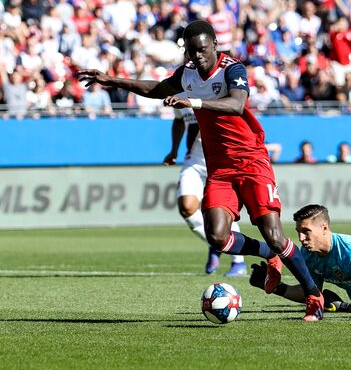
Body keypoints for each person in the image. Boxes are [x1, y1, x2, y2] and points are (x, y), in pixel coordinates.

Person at [78, 20, 325, 321]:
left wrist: (193, 100)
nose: (197, 57)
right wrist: (113, 81)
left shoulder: (232, 70)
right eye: (191, 52)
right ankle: (268, 255)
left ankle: (314, 295)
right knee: (217, 237)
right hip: (220, 168)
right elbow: (156, 88)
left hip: (251, 162)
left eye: (202, 50)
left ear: (215, 45)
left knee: (274, 233)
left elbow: (236, 105)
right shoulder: (188, 74)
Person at [162, 108, 247, 276]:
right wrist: (174, 150)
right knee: (187, 207)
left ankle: (238, 262)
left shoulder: (218, 90)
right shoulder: (180, 91)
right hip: (194, 162)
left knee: (224, 211)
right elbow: (179, 120)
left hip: (221, 162)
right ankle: (215, 242)